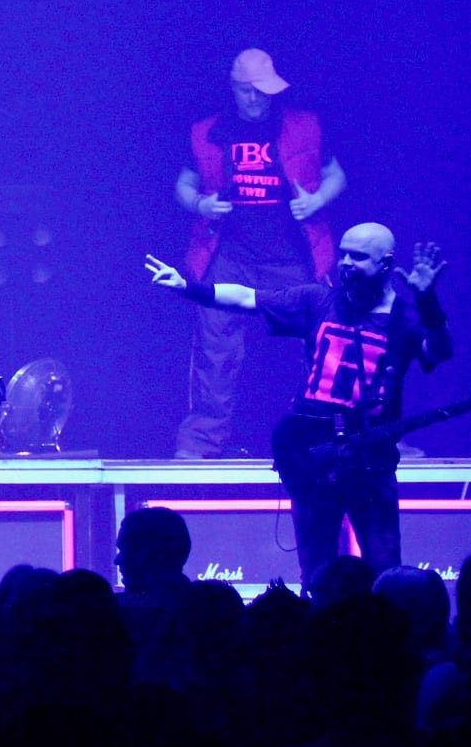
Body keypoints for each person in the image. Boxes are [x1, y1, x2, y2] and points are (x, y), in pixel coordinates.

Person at [146, 223, 450, 592]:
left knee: (384, 569)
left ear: (386, 264)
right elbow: (247, 298)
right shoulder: (319, 300)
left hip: (371, 461)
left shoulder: (404, 316)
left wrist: (428, 303)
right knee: (317, 570)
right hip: (315, 457)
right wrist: (187, 287)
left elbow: (438, 352)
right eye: (343, 253)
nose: (346, 262)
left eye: (358, 257)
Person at [172, 49, 347, 459]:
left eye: (262, 91)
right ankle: (201, 443)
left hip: (293, 257)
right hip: (228, 256)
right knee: (215, 351)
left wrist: (317, 200)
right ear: (233, 89)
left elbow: (336, 175)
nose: (255, 99)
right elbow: (183, 184)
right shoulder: (207, 131)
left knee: (326, 342)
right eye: (246, 91)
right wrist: (200, 204)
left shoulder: (304, 126)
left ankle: (336, 434)